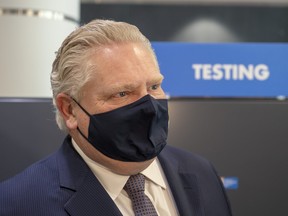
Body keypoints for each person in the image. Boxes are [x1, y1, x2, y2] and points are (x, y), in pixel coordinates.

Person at [0, 19, 232, 216]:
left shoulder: (202, 174)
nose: (149, 107)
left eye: (153, 86)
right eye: (122, 93)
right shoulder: (17, 204)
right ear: (69, 109)